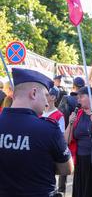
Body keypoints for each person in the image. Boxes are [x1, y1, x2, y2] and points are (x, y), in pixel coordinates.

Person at [0, 68, 73, 196]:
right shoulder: (48, 129)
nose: (46, 103)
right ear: (33, 93)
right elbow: (67, 168)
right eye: (45, 95)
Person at [57, 76, 85, 194]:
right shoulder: (83, 100)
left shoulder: (66, 99)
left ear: (73, 86)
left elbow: (60, 114)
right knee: (77, 165)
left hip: (66, 134)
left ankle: (62, 191)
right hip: (78, 135)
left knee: (64, 162)